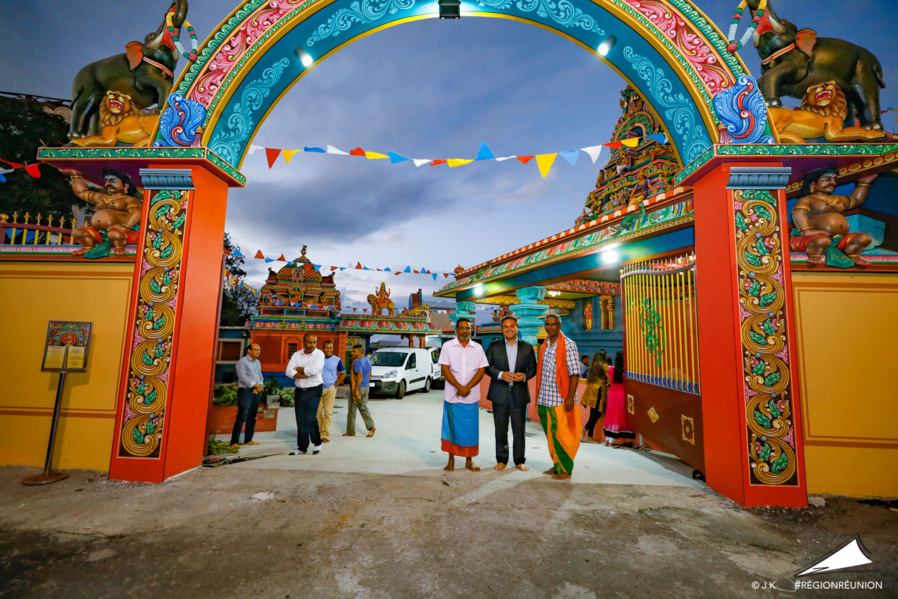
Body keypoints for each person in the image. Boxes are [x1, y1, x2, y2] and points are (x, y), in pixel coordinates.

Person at [790, 170, 878, 265]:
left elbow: (856, 200)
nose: (833, 182)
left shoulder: (839, 199)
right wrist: (806, 231)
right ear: (812, 184)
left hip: (839, 239)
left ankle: (853, 254)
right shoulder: (807, 200)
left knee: (864, 238)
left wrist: (864, 183)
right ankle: (814, 255)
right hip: (815, 239)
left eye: (834, 179)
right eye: (827, 180)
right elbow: (798, 212)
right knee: (823, 241)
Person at [484, 315, 537, 471]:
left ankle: (519, 460)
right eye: (505, 326)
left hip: (519, 395)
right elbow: (486, 366)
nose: (508, 329)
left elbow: (533, 369)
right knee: (500, 430)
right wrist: (501, 374)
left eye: (511, 326)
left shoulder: (527, 347)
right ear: (502, 329)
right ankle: (502, 460)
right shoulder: (494, 346)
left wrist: (524, 376)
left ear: (516, 328)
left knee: (519, 430)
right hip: (499, 394)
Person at [438, 318, 489, 472]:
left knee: (470, 430)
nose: (465, 331)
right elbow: (445, 370)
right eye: (462, 328)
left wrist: (467, 388)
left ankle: (469, 460)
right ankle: (451, 460)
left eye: (467, 328)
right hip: (452, 396)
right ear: (456, 330)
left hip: (471, 396)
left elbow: (481, 370)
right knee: (451, 428)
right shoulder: (448, 347)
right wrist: (459, 387)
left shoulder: (478, 348)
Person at [536, 312, 581, 480]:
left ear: (559, 326)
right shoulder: (545, 345)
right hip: (544, 398)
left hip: (560, 399)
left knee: (563, 435)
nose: (550, 327)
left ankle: (565, 470)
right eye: (547, 324)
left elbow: (575, 374)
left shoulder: (568, 344)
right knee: (551, 435)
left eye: (553, 324)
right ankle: (556, 465)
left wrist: (570, 398)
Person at [61, 168, 143, 257]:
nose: (108, 184)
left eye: (113, 181)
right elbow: (81, 192)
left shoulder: (129, 199)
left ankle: (119, 247)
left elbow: (137, 212)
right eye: (106, 181)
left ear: (125, 186)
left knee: (114, 235)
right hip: (99, 233)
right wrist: (75, 175)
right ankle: (88, 247)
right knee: (78, 232)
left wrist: (126, 227)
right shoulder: (100, 197)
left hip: (120, 233)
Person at [284, 333, 325, 455]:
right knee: (300, 419)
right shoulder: (297, 355)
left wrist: (298, 368)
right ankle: (302, 447)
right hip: (300, 391)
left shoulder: (319, 354)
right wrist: (304, 373)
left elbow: (313, 371)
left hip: (314, 390)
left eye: (314, 342)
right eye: (309, 342)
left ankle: (317, 443)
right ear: (304, 342)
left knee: (310, 418)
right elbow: (288, 371)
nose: (312, 345)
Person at [229, 343, 264, 449]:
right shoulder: (242, 362)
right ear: (249, 350)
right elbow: (242, 377)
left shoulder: (257, 362)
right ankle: (234, 442)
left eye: (259, 349)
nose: (258, 351)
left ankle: (248, 439)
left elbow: (260, 376)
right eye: (256, 349)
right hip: (245, 391)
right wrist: (255, 385)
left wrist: (259, 387)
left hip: (255, 392)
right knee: (242, 416)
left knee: (252, 417)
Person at [603, 351, 636, 446]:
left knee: (611, 415)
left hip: (612, 393)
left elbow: (609, 379)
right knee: (618, 416)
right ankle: (611, 441)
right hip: (621, 393)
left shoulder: (610, 369)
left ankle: (607, 439)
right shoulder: (626, 371)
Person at [317, 340, 346, 443]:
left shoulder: (337, 360)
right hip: (318, 388)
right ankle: (318, 434)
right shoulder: (318, 359)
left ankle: (324, 435)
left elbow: (343, 373)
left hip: (330, 389)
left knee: (328, 413)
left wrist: (335, 385)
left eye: (330, 348)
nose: (328, 350)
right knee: (318, 413)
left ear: (332, 349)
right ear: (323, 348)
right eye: (326, 348)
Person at [346, 345, 376, 438]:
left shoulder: (357, 361)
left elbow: (359, 374)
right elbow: (370, 374)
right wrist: (365, 383)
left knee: (352, 410)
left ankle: (351, 432)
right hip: (366, 387)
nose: (352, 353)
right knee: (363, 408)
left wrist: (356, 389)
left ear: (360, 352)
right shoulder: (368, 360)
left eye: (354, 351)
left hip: (358, 387)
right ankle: (371, 426)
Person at [580, 349, 609, 444]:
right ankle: (584, 429)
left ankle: (590, 436)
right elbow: (610, 377)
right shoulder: (604, 365)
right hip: (599, 390)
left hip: (591, 389)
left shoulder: (593, 365)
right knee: (598, 413)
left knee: (592, 413)